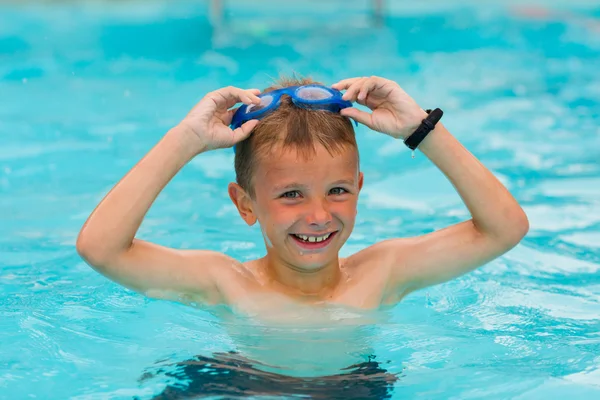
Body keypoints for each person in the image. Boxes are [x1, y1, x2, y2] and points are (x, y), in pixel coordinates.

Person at [76, 75, 528, 397]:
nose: (318, 215)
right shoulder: (223, 281)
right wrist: (185, 139)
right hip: (236, 384)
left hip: (353, 388)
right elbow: (102, 249)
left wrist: (421, 130)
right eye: (291, 194)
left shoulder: (383, 271)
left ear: (359, 189)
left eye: (337, 191)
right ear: (245, 204)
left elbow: (504, 228)